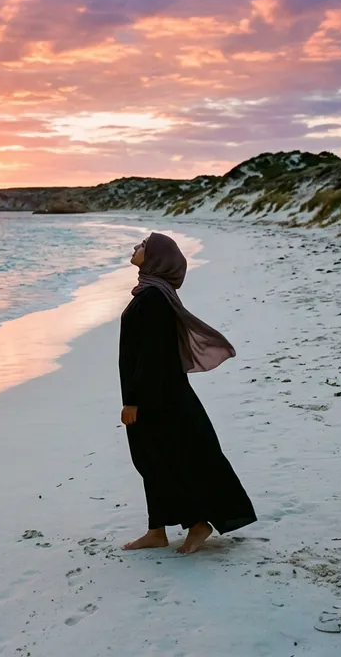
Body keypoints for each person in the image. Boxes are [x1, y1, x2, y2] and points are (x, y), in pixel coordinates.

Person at [119, 232, 256, 554]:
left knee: (166, 459)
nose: (135, 248)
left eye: (142, 246)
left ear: (156, 259)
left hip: (158, 397)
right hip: (160, 391)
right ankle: (157, 530)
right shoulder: (153, 294)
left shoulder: (153, 298)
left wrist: (132, 400)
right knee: (152, 459)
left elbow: (150, 356)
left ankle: (197, 524)